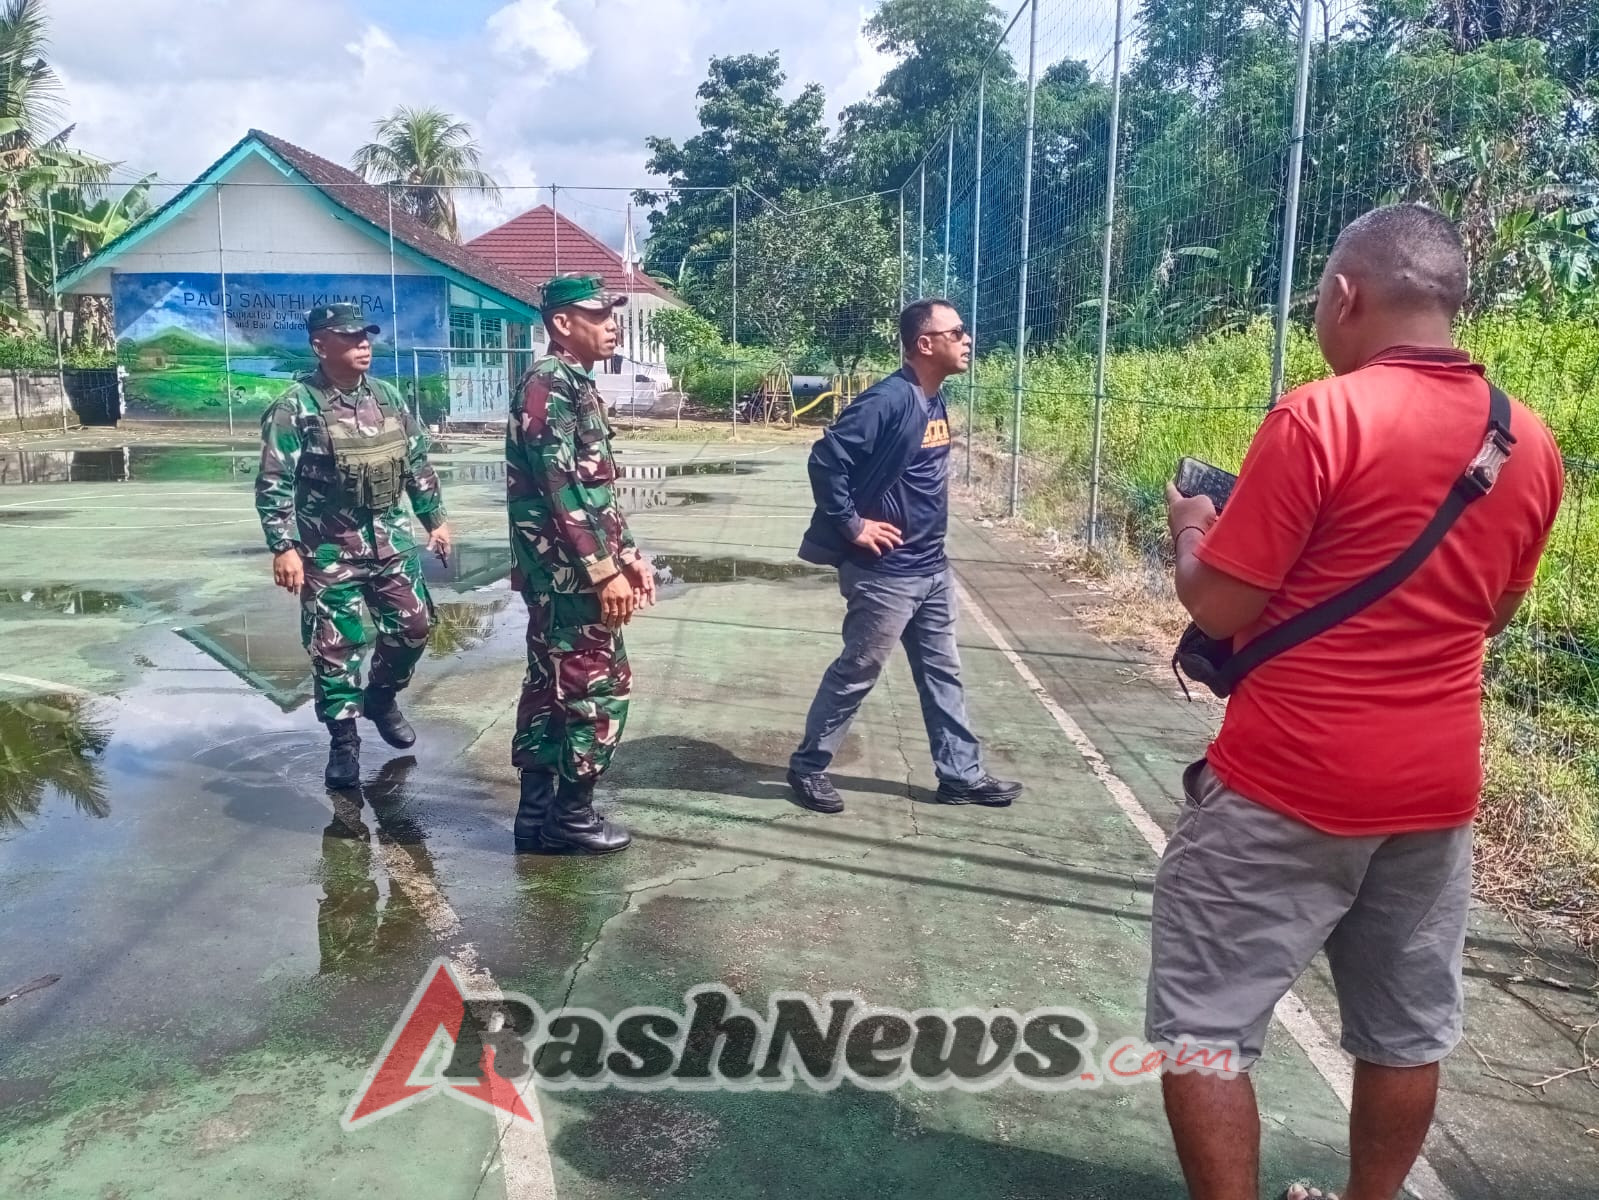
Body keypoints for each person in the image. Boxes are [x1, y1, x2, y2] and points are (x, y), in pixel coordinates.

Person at [1152, 205, 1563, 1200]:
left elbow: (1223, 601)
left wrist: (1193, 534)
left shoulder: (1319, 416)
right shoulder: (1529, 443)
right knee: (1404, 1029)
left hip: (1287, 782)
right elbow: (1491, 615)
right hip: (1434, 795)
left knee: (1205, 1028)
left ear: (1346, 295)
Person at [789, 298, 1022, 813]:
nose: (967, 339)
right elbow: (826, 460)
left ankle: (960, 774)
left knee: (944, 672)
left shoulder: (932, 398)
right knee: (858, 670)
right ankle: (808, 766)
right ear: (925, 344)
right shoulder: (887, 400)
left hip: (932, 568)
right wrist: (853, 526)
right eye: (956, 331)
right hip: (885, 573)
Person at [256, 303, 451, 790]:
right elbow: (273, 482)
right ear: (321, 345)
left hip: (391, 545)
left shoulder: (387, 397)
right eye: (349, 337)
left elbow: (417, 462)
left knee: (415, 627)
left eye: (365, 336)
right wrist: (284, 547)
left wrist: (437, 522)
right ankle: (343, 743)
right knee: (334, 648)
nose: (363, 344)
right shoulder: (295, 407)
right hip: (328, 552)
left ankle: (381, 697)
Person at [507, 274, 655, 856]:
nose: (611, 323)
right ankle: (571, 817)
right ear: (562, 324)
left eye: (612, 314)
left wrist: (630, 557)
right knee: (599, 686)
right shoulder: (550, 384)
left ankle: (537, 815)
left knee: (550, 687)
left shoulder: (573, 384)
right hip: (569, 574)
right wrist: (603, 571)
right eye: (598, 315)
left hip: (567, 568)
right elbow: (559, 484)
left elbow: (598, 494)